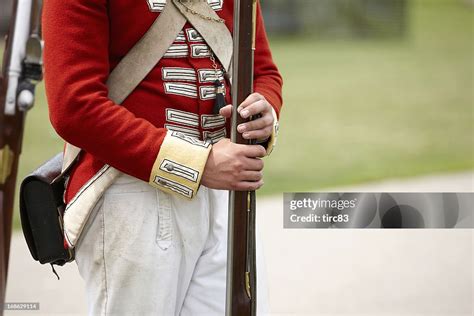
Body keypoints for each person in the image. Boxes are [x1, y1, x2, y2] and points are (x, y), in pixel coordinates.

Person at [42, 0, 283, 314]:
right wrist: (198, 164)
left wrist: (265, 110)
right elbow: (74, 105)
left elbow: (261, 70)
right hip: (131, 190)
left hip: (225, 188)